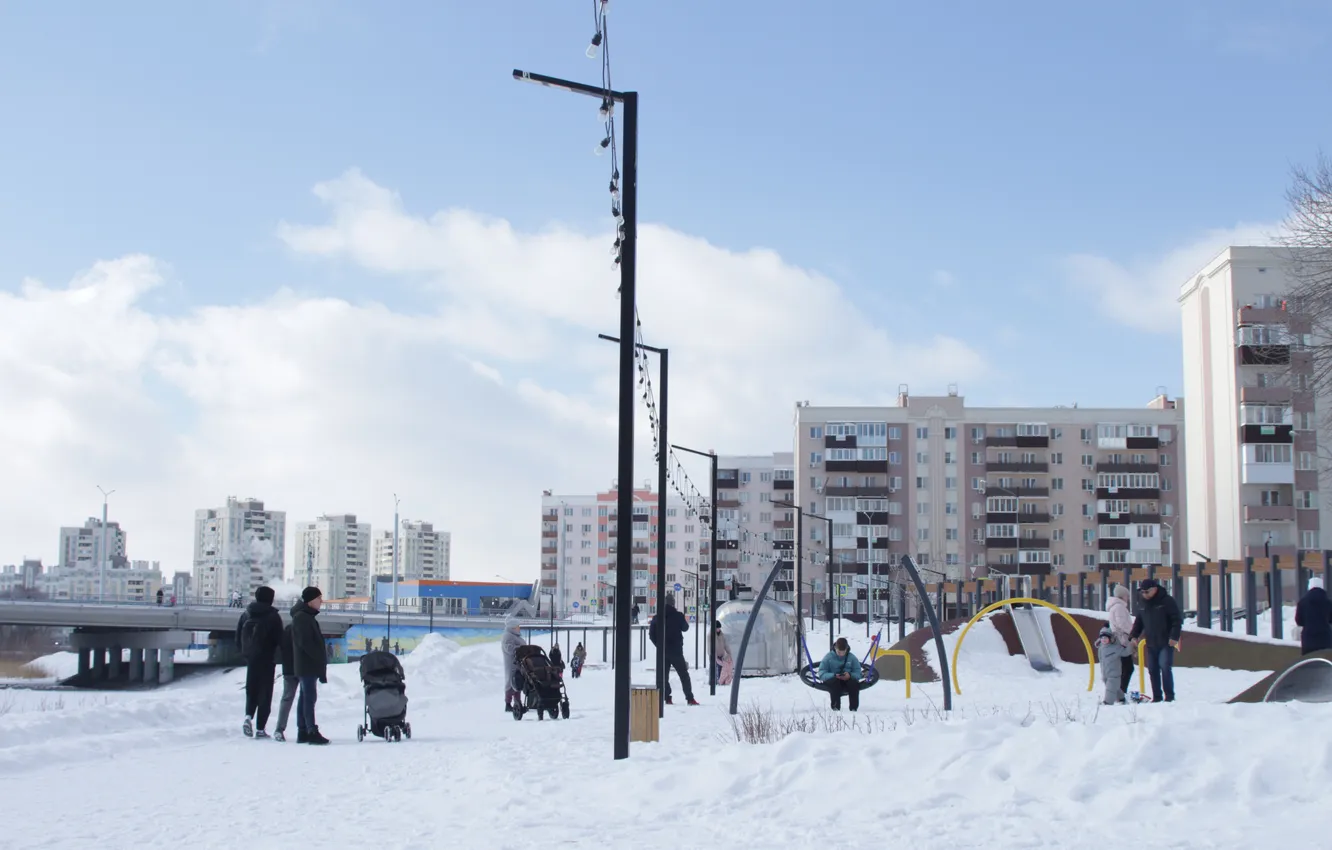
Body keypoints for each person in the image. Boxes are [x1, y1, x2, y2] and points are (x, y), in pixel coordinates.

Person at [236, 585, 283, 738]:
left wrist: (246, 654)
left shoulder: (246, 614)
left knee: (252, 689)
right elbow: (280, 639)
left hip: (252, 659)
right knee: (265, 693)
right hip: (267, 659)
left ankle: (248, 716)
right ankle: (261, 729)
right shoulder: (273, 616)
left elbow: (238, 637)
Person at [1128, 578, 1183, 703]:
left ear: (1155, 589)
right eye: (1142, 592)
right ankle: (1157, 697)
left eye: (1147, 592)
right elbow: (1139, 621)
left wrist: (1174, 637)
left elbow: (1177, 620)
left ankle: (1169, 697)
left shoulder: (1167, 601)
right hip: (1151, 642)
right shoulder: (1142, 603)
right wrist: (1134, 635)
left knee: (1165, 666)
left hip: (1166, 641)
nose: (1144, 595)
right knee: (1152, 669)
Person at [290, 586, 329, 744]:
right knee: (309, 698)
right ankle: (310, 730)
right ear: (311, 600)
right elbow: (306, 643)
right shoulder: (302, 618)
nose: (321, 602)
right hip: (307, 664)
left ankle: (303, 730)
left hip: (307, 664)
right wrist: (318, 658)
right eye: (319, 598)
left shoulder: (306, 617)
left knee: (305, 697)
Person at [648, 593, 697, 705]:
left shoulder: (657, 617)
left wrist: (659, 645)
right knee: (684, 675)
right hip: (676, 651)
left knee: (663, 676)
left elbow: (651, 635)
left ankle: (667, 697)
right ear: (673, 603)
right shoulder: (678, 615)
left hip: (663, 652)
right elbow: (685, 628)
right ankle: (689, 698)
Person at [818, 637, 863, 711]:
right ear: (835, 648)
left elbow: (858, 673)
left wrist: (850, 675)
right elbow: (822, 673)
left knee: (854, 684)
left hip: (847, 680)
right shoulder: (828, 657)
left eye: (843, 652)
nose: (841, 655)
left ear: (846, 649)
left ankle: (853, 708)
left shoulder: (852, 658)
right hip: (833, 680)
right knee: (835, 683)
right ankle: (835, 708)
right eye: (839, 652)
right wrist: (833, 675)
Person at [1106, 584, 1135, 697]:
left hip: (1119, 640)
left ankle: (1120, 691)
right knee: (1128, 668)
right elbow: (1122, 624)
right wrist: (1132, 633)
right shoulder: (1119, 607)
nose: (1128, 598)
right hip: (1122, 641)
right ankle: (1121, 692)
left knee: (1124, 668)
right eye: (1127, 596)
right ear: (1122, 596)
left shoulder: (1115, 606)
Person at [272, 623, 299, 742]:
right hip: (304, 668)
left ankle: (279, 729)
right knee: (306, 699)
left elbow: (281, 647)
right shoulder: (305, 626)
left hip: (288, 668)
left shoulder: (288, 629)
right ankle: (305, 729)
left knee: (287, 698)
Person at [1096, 626, 1134, 705]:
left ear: (1111, 638)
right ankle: (1121, 698)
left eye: (1106, 638)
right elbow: (1101, 659)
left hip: (1115, 674)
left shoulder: (1116, 648)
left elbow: (1126, 652)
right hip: (1105, 673)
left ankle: (1107, 702)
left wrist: (1130, 644)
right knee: (1115, 688)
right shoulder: (1101, 648)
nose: (1103, 639)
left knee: (1110, 688)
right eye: (1102, 638)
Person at [1294, 576, 1332, 655]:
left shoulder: (1302, 602)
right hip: (1325, 638)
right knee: (1324, 661)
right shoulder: (1328, 602)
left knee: (1309, 661)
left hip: (1308, 638)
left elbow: (1299, 621)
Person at [502, 616, 524, 712]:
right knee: (511, 683)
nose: (519, 628)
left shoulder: (515, 636)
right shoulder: (508, 636)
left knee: (517, 683)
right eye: (517, 626)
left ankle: (517, 702)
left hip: (518, 663)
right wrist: (520, 648)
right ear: (513, 627)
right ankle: (508, 703)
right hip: (512, 664)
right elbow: (509, 648)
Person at [714, 620, 734, 686]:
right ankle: (715, 681)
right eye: (717, 628)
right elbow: (710, 647)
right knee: (715, 668)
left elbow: (725, 645)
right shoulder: (711, 636)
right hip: (715, 655)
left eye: (719, 628)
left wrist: (729, 653)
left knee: (721, 668)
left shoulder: (722, 635)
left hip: (721, 655)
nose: (719, 629)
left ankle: (721, 682)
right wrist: (715, 657)